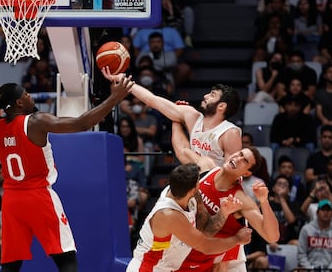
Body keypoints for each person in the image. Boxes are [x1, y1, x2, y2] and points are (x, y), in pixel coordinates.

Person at [0, 79, 133, 272]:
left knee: (10, 265)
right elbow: (82, 123)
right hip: (38, 196)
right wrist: (114, 98)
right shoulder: (36, 121)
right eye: (25, 94)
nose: (29, 96)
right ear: (19, 103)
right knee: (66, 257)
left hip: (11, 201)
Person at [170, 122, 279, 271]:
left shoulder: (241, 200)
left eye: (245, 161)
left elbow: (272, 237)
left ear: (247, 173)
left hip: (226, 259)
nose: (238, 158)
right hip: (195, 249)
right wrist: (176, 121)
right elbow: (182, 150)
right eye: (240, 153)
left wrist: (264, 201)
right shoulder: (207, 167)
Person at [126, 163, 253, 272]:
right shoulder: (169, 215)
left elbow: (206, 230)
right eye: (199, 180)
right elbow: (205, 246)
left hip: (165, 268)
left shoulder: (187, 194)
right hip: (147, 268)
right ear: (193, 189)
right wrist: (237, 239)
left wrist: (224, 212)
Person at [103, 70, 243, 166]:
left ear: (221, 106)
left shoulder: (230, 132)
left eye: (212, 95)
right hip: (194, 179)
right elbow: (152, 100)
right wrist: (123, 80)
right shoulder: (192, 116)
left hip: (215, 190)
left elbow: (232, 172)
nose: (205, 96)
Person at [298, 199, 332, 270]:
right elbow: (301, 254)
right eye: (323, 210)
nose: (325, 212)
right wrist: (310, 269)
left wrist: (329, 269)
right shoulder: (306, 229)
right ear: (317, 213)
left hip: (331, 269)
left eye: (328, 210)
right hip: (309, 269)